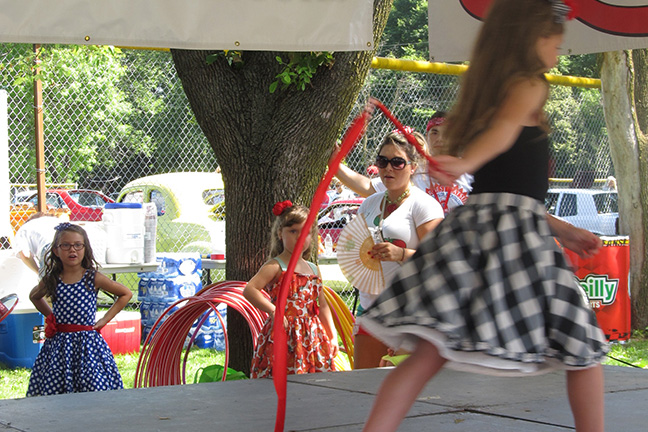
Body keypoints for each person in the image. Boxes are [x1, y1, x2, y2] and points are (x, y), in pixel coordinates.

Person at [358, 1, 608, 431]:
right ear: (531, 37)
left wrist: (562, 229)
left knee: (431, 349)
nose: (559, 51)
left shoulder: (484, 98)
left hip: (481, 228)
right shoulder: (530, 85)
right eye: (555, 40)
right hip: (515, 239)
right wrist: (464, 161)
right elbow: (505, 132)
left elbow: (511, 190)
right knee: (582, 348)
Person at [353, 130, 444, 369]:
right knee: (359, 388)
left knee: (402, 397)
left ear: (413, 167)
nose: (388, 168)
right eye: (382, 161)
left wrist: (401, 254)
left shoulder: (424, 206)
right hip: (370, 309)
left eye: (397, 162)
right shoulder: (369, 204)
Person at [26, 222, 132, 396]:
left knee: (93, 388)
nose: (72, 250)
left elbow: (125, 294)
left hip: (87, 346)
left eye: (77, 245)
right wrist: (51, 317)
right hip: (59, 347)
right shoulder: (52, 279)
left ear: (85, 248)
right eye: (65, 245)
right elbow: (34, 296)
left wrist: (104, 320)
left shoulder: (92, 277)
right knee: (56, 387)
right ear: (56, 251)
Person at [244, 201, 339, 378]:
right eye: (293, 231)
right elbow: (250, 289)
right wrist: (273, 310)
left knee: (315, 381)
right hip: (284, 334)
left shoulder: (313, 269)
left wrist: (332, 334)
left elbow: (323, 305)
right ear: (280, 233)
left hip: (312, 336)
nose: (299, 237)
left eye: (305, 232)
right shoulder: (276, 266)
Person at [332, 113, 472, 214]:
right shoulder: (413, 168)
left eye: (447, 133)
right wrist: (335, 165)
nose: (440, 138)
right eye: (434, 132)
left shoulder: (470, 171)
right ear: (427, 136)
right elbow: (369, 187)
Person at [13, 212, 69, 277]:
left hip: (50, 248)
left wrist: (40, 273)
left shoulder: (24, 229)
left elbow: (25, 255)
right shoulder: (57, 221)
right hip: (74, 246)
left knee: (50, 285)